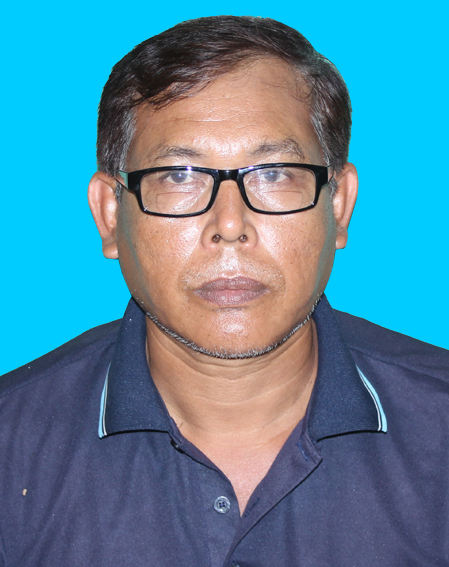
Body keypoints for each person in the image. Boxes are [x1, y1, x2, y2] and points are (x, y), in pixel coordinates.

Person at [1, 15, 448, 567]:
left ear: (339, 206)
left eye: (275, 172)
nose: (230, 224)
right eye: (179, 176)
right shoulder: (11, 448)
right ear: (110, 216)